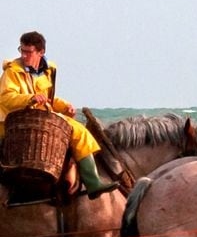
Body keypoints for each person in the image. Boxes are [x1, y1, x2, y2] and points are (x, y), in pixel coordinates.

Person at [0, 31, 118, 197]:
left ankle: (84, 179)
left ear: (41, 52)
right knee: (78, 131)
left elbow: (48, 99)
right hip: (14, 121)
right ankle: (93, 183)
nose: (24, 55)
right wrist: (30, 98)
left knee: (77, 130)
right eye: (22, 50)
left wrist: (64, 106)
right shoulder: (12, 72)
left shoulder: (47, 70)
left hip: (37, 117)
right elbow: (6, 98)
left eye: (28, 52)